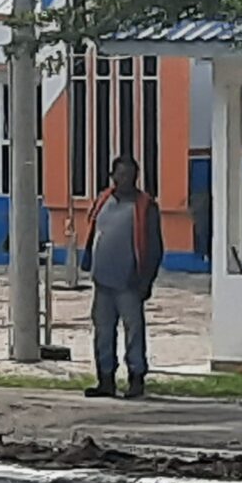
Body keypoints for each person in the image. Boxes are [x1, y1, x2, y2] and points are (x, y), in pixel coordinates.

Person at [79, 155, 163, 398]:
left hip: (130, 282)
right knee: (103, 331)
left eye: (129, 175)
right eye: (120, 174)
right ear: (112, 175)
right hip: (102, 280)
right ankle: (105, 379)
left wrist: (146, 280)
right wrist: (88, 263)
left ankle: (136, 378)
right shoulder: (103, 200)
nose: (124, 179)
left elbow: (155, 247)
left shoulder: (146, 206)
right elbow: (95, 231)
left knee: (133, 330)